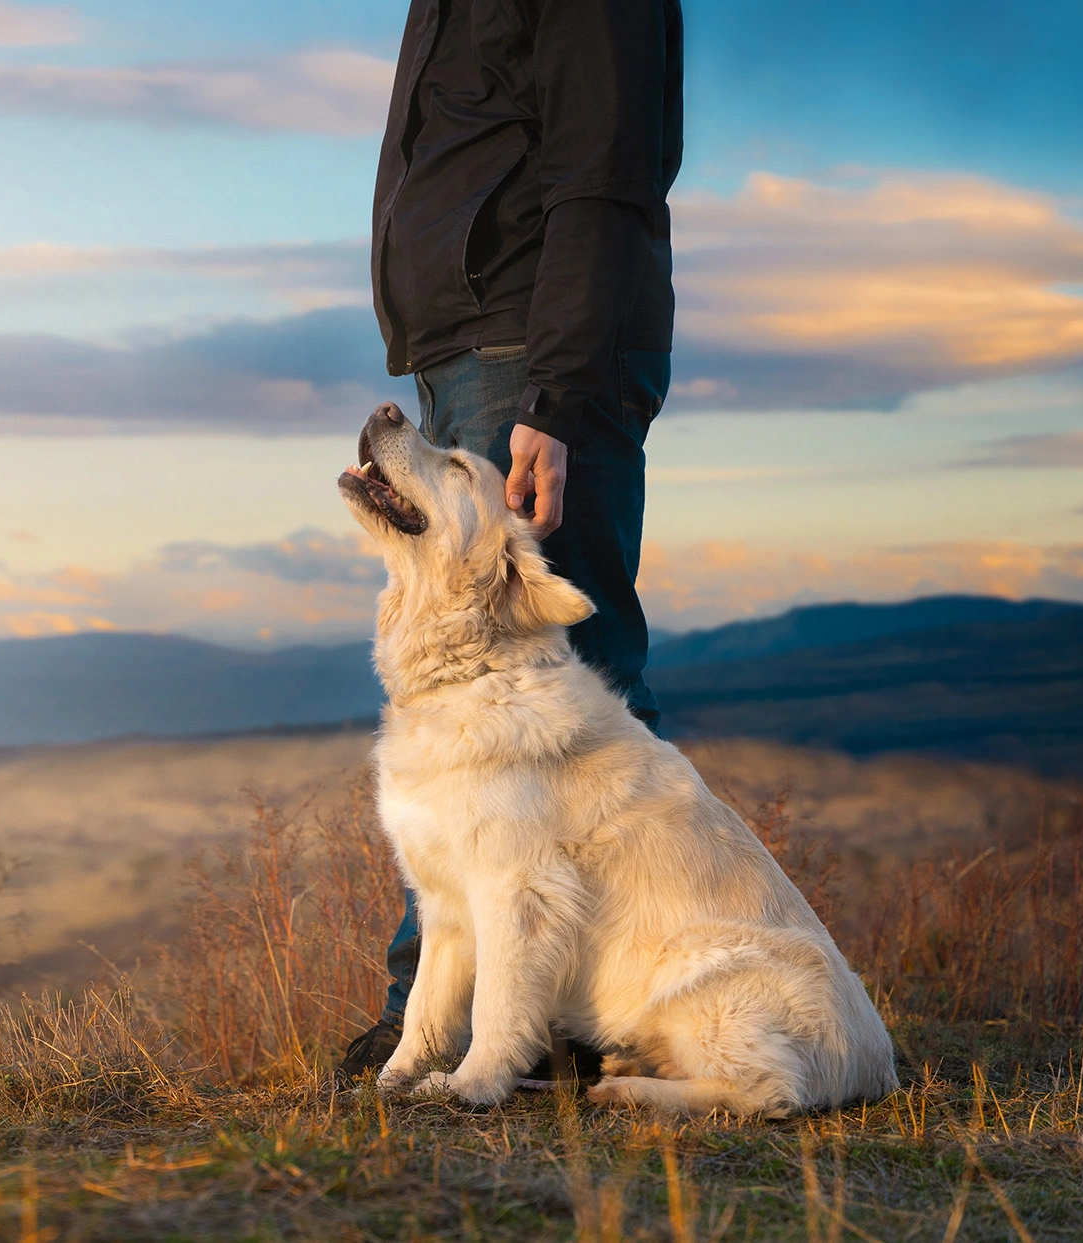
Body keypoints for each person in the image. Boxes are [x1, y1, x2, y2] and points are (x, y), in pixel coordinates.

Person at [337, 0, 683, 1083]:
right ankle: (456, 1018)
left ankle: (543, 1023)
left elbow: (605, 176)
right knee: (472, 707)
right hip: (473, 347)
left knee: (559, 692)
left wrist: (561, 393)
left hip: (531, 352)